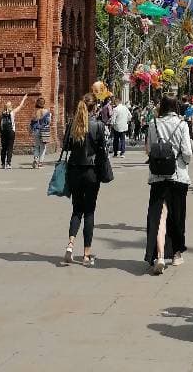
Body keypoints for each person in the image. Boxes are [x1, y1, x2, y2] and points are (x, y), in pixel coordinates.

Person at [144, 94, 193, 274]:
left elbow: (149, 148)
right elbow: (187, 152)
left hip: (157, 176)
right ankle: (177, 254)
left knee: (159, 216)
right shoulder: (182, 124)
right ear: (177, 107)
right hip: (178, 175)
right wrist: (184, 161)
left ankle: (159, 254)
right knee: (177, 216)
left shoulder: (153, 123)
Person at [63, 92, 107, 267]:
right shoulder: (98, 125)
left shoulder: (72, 125)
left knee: (76, 210)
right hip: (91, 172)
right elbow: (103, 149)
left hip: (74, 170)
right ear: (94, 107)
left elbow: (66, 146)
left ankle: (70, 245)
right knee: (89, 212)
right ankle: (87, 255)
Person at [0, 96, 29, 170]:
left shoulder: (1, 114)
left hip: (3, 132)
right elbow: (20, 106)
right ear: (10, 106)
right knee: (10, 148)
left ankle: (2, 164)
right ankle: (8, 163)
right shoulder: (12, 112)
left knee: (3, 148)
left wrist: (0, 132)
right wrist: (24, 99)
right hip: (11, 131)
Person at [30, 96, 51, 168]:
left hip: (36, 130)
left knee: (36, 146)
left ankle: (35, 159)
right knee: (43, 147)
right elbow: (48, 122)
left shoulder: (35, 112)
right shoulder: (47, 112)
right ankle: (40, 163)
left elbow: (32, 122)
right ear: (44, 104)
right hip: (44, 131)